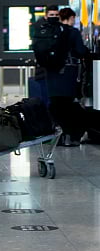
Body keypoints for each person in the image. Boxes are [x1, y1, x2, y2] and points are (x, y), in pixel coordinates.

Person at [46, 8, 88, 147]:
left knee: (56, 105)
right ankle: (70, 136)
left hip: (52, 74)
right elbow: (81, 51)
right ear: (70, 18)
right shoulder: (73, 32)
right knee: (69, 106)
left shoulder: (51, 31)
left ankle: (57, 136)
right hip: (68, 74)